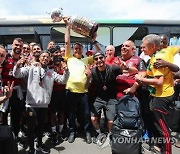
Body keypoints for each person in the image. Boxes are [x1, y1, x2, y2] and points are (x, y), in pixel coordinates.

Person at [13, 51, 69, 154]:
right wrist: (17, 65)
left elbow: (63, 81)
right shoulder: (31, 68)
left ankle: (39, 144)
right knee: (31, 127)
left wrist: (66, 71)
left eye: (47, 57)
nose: (45, 58)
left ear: (49, 60)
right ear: (39, 58)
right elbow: (16, 74)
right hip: (31, 104)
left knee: (41, 127)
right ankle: (31, 148)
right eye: (43, 56)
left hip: (44, 105)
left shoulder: (51, 72)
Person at [135, 34, 180, 154]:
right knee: (159, 126)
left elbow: (159, 81)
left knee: (163, 129)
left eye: (144, 47)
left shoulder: (157, 59)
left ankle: (167, 151)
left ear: (153, 46)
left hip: (161, 97)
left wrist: (141, 80)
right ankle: (160, 147)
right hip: (162, 94)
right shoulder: (164, 52)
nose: (142, 49)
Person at [63, 17, 94, 144]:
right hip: (70, 91)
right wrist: (67, 27)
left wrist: (94, 41)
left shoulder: (86, 60)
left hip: (83, 92)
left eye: (79, 48)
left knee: (86, 114)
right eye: (75, 48)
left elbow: (98, 53)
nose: (77, 50)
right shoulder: (68, 58)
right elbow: (66, 42)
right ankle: (72, 132)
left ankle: (87, 132)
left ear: (82, 50)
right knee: (71, 114)